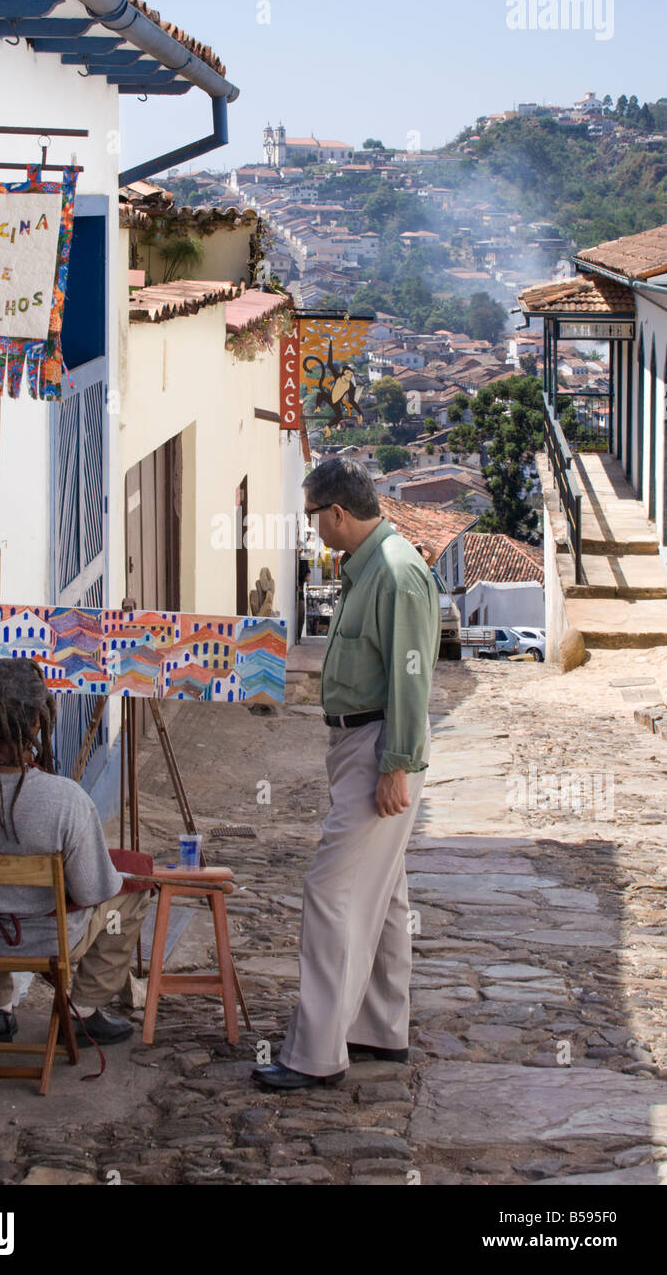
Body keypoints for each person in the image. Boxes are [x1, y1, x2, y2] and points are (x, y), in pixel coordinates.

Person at [252, 459, 440, 1090]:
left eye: (313, 516)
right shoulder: (367, 570)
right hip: (357, 745)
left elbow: (412, 683)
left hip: (377, 746)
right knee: (385, 897)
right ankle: (381, 1029)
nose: (312, 530)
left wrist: (397, 767)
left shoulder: (396, 575)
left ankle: (316, 1053)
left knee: (330, 895)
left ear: (337, 513)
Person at [0, 658, 150, 1044]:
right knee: (133, 891)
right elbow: (93, 892)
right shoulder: (65, 799)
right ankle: (82, 1011)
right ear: (39, 723)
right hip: (44, 942)